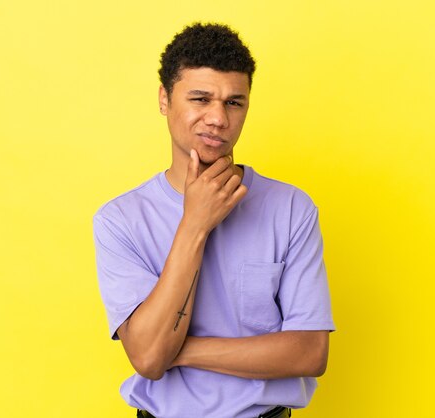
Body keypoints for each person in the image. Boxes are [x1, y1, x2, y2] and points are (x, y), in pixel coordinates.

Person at [93, 22, 336, 418]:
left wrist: (176, 349)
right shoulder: (120, 220)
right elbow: (151, 361)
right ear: (164, 100)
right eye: (201, 99)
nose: (218, 119)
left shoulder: (291, 208)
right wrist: (195, 223)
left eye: (234, 102)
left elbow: (310, 352)